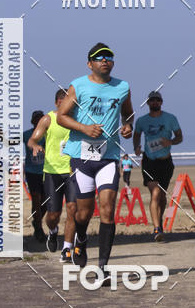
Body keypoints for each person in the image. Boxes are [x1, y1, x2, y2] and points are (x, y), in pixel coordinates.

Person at [57, 42, 134, 281]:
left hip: (108, 157)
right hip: (81, 157)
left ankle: (102, 268)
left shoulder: (122, 87)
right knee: (83, 213)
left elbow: (128, 113)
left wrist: (128, 126)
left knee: (108, 210)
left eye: (109, 57)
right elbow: (61, 116)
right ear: (90, 63)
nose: (105, 60)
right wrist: (84, 128)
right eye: (99, 57)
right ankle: (80, 238)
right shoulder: (78, 85)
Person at [27, 89, 77, 263]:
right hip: (52, 173)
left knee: (73, 209)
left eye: (70, 103)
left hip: (72, 171)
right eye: (63, 103)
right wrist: (35, 146)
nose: (67, 106)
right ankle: (53, 231)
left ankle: (67, 248)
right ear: (57, 103)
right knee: (53, 215)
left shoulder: (77, 119)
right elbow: (32, 139)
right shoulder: (48, 119)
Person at [133, 91, 182, 240]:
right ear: (148, 103)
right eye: (152, 100)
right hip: (149, 162)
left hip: (166, 162)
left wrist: (171, 142)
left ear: (161, 102)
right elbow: (136, 135)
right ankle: (156, 229)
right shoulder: (142, 121)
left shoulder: (170, 119)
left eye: (157, 100)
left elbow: (180, 137)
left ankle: (159, 222)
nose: (155, 103)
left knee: (161, 196)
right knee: (155, 193)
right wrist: (137, 147)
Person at [23, 110, 46, 243]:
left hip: (46, 171)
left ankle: (37, 222)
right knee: (36, 201)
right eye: (36, 119)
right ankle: (39, 229)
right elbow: (11, 141)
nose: (38, 122)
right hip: (32, 172)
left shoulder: (48, 134)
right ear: (32, 121)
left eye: (40, 119)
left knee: (47, 202)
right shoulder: (27, 135)